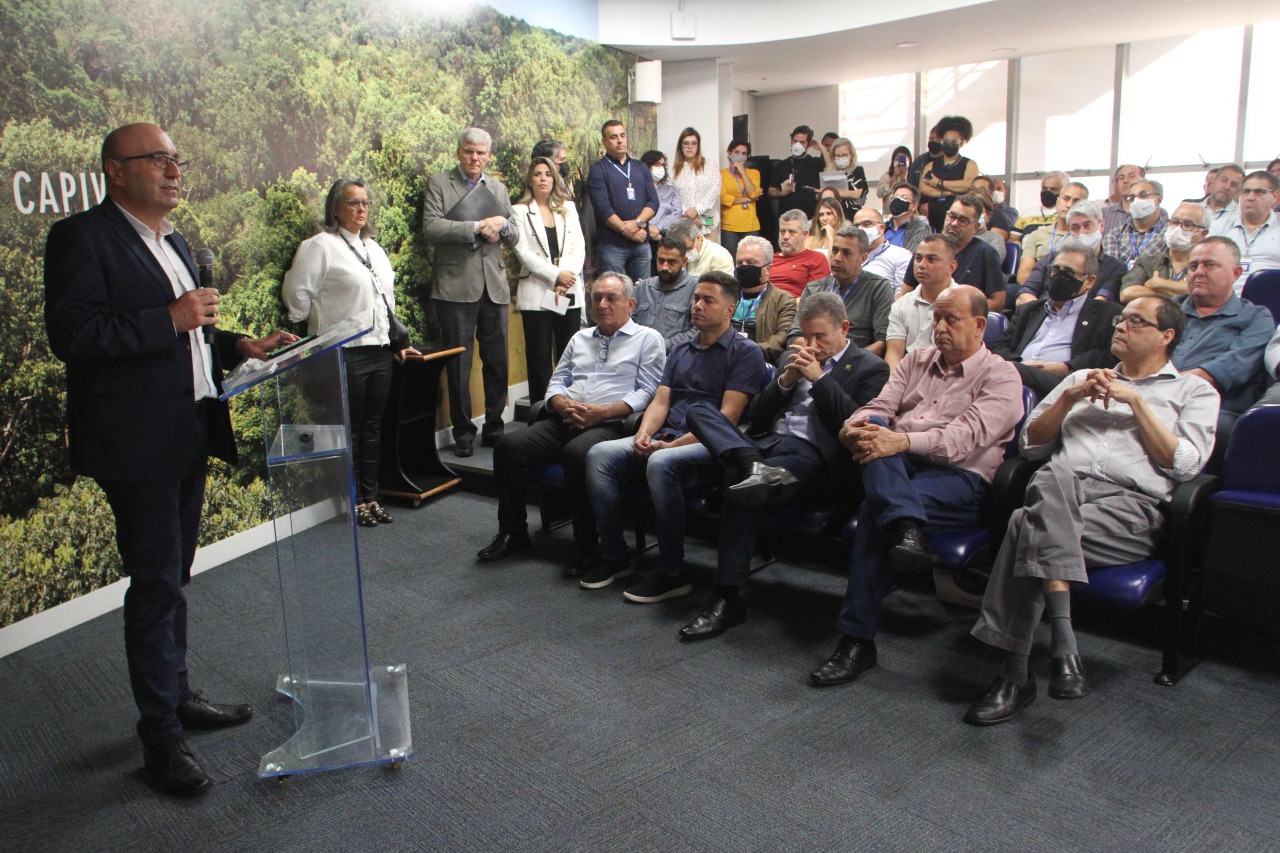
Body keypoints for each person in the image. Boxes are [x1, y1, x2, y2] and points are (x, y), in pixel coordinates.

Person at [44, 122, 296, 796]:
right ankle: (160, 736)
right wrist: (171, 318)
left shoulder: (176, 241)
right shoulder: (81, 238)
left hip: (188, 430)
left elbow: (193, 335)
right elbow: (73, 334)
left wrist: (238, 343)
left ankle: (178, 693)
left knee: (173, 576)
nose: (173, 170)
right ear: (115, 171)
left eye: (176, 160)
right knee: (155, 586)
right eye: (158, 160)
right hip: (136, 441)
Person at [966, 296, 1219, 725]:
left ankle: (1015, 673)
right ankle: (1061, 651)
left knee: (1023, 523)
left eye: (1137, 321)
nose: (1121, 326)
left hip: (1129, 510)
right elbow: (1031, 444)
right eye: (1121, 318)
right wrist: (1069, 399)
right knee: (1050, 476)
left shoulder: (1193, 391)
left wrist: (1135, 402)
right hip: (1065, 493)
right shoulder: (1081, 378)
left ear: (1167, 336)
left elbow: (1185, 464)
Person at [809, 286, 1023, 687]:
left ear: (979, 326)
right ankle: (906, 529)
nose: (939, 327)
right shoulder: (915, 361)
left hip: (959, 480)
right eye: (936, 319)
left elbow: (963, 440)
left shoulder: (1002, 376)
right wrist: (854, 428)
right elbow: (879, 407)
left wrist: (901, 440)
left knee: (876, 511)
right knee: (874, 430)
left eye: (951, 320)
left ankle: (857, 639)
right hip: (899, 467)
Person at [676, 293, 890, 641]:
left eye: (820, 336)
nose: (811, 344)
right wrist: (785, 381)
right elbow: (758, 417)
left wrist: (820, 379)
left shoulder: (870, 367)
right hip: (767, 447)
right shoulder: (793, 357)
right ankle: (751, 466)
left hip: (817, 459)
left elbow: (854, 424)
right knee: (699, 412)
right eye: (806, 336)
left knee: (736, 478)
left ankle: (727, 597)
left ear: (844, 328)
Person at [584, 271, 767, 600]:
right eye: (696, 298)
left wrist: (667, 446)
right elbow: (661, 400)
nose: (696, 305)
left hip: (711, 447)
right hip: (667, 437)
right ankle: (615, 556)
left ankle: (672, 571)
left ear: (730, 309)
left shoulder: (746, 352)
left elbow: (726, 420)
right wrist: (643, 433)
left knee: (660, 463)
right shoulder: (683, 349)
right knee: (599, 455)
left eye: (708, 300)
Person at [476, 273, 666, 574]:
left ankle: (587, 547)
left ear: (630, 303)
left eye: (611, 298)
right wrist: (560, 403)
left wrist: (602, 412)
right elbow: (558, 381)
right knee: (508, 447)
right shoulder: (579, 338)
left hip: (611, 423)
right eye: (597, 298)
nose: (602, 304)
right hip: (565, 418)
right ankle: (513, 532)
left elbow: (648, 391)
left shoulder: (647, 339)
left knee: (577, 454)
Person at [283, 178, 420, 528]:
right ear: (335, 207)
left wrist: (395, 342)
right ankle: (351, 500)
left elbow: (385, 302)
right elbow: (296, 299)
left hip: (379, 351)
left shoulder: (373, 248)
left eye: (365, 203)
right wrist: (323, 326)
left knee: (373, 427)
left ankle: (371, 497)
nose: (361, 209)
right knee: (351, 430)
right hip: (344, 353)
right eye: (352, 202)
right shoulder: (319, 246)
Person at [422, 127, 519, 457]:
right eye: (468, 152)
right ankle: (462, 431)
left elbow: (515, 234)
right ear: (458, 152)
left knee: (497, 362)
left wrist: (502, 224)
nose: (475, 158)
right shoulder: (439, 183)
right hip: (454, 289)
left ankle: (495, 425)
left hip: (494, 288)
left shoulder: (498, 188)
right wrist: (477, 226)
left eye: (480, 153)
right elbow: (432, 227)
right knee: (458, 366)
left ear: (488, 155)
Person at [1171, 237, 1274, 462]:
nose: (1198, 272)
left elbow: (1231, 367)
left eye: (1210, 265)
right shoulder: (1168, 308)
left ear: (1236, 273)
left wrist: (1164, 386)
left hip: (1215, 408)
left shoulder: (1256, 316)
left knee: (1218, 428)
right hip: (1153, 397)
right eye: (1193, 266)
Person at [990, 240, 1123, 399]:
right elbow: (1000, 346)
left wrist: (1068, 367)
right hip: (1016, 373)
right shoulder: (1030, 309)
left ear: (1090, 281)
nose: (1059, 277)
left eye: (1068, 273)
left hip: (1064, 383)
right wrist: (1019, 365)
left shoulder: (1107, 313)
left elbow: (1109, 355)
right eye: (1055, 270)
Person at [511, 156, 586, 404]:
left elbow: (578, 247)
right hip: (536, 292)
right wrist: (555, 275)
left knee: (569, 354)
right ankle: (541, 413)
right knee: (539, 357)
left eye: (548, 174)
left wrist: (565, 279)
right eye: (537, 174)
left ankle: (570, 408)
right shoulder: (519, 211)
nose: (543, 178)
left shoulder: (568, 208)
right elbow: (523, 252)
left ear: (554, 178)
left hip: (568, 291)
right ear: (530, 180)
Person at [788, 226, 895, 357]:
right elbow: (794, 336)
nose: (838, 258)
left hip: (855, 362)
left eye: (847, 253)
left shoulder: (878, 288)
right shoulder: (814, 288)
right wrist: (819, 353)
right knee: (784, 360)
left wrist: (841, 359)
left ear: (863, 258)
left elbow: (882, 342)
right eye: (835, 250)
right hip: (813, 357)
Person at [587, 120, 659, 283]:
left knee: (642, 293)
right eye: (613, 137)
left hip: (641, 244)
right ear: (604, 142)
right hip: (613, 246)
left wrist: (637, 223)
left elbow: (653, 202)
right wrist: (628, 231)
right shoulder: (598, 170)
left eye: (622, 135)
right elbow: (603, 208)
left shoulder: (640, 167)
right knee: (613, 293)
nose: (619, 140)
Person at [904, 195, 1005, 312]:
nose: (954, 223)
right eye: (951, 216)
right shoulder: (926, 248)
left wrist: (960, 310)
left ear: (976, 227)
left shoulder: (986, 253)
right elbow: (906, 292)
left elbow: (998, 301)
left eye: (963, 220)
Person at [1017, 200, 1126, 305]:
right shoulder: (1051, 258)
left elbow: (1100, 302)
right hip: (1044, 314)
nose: (1082, 232)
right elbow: (1025, 294)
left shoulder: (1115, 268)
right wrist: (1046, 314)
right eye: (1075, 228)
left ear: (1101, 225)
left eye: (1087, 226)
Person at [885, 235, 959, 371]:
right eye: (918, 259)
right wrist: (894, 387)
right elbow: (894, 354)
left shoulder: (965, 304)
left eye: (931, 259)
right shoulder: (901, 305)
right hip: (908, 375)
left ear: (951, 267)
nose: (922, 265)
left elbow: (962, 357)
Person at [1119, 202, 1211, 303]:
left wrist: (1159, 284)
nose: (1178, 229)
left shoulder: (1208, 266)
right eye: (1174, 222)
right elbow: (1127, 293)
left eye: (1188, 225)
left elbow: (1209, 293)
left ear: (1203, 233)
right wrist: (1175, 295)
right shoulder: (1147, 262)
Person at [1209, 170, 1280, 294]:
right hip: (1224, 299)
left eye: (1259, 192)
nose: (1250, 197)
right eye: (1246, 192)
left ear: (1275, 197)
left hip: (1271, 300)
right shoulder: (1219, 227)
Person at [732, 235, 796, 363]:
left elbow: (782, 338)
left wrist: (747, 351)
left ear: (768, 269)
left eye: (751, 263)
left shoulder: (783, 300)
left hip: (758, 361)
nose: (744, 267)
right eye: (739, 263)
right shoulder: (726, 295)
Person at [1016, 181, 1089, 284]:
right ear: (1058, 201)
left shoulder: (1085, 238)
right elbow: (1024, 272)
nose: (1069, 205)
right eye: (1066, 199)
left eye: (1076, 201)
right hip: (1035, 289)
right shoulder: (1036, 235)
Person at [633, 236, 697, 351]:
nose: (664, 267)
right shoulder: (643, 287)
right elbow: (628, 322)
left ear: (684, 262)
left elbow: (698, 330)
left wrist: (662, 345)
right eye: (661, 260)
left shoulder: (695, 287)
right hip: (638, 354)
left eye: (671, 262)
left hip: (675, 357)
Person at [919, 115, 979, 233]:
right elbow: (923, 187)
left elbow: (967, 185)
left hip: (958, 218)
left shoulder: (970, 164)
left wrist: (938, 183)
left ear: (961, 142)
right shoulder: (931, 165)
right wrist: (948, 192)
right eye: (945, 141)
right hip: (932, 215)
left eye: (953, 142)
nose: (949, 144)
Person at [1101, 179, 1168, 269]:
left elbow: (1164, 270)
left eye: (1143, 195)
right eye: (1132, 198)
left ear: (1158, 200)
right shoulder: (1114, 235)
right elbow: (1111, 271)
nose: (1136, 201)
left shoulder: (1168, 235)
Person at [672, 127, 721, 241]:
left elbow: (714, 190)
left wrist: (697, 211)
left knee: (708, 257)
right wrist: (687, 214)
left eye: (694, 143)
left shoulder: (709, 165)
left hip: (708, 220)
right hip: (684, 222)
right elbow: (673, 195)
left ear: (698, 146)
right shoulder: (673, 169)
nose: (690, 147)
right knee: (687, 257)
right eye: (686, 143)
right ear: (681, 146)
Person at [770, 210, 831, 298]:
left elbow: (815, 298)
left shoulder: (816, 259)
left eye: (792, 232)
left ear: (805, 235)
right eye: (782, 231)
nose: (786, 236)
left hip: (795, 308)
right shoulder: (769, 259)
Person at [769, 125, 825, 218]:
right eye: (795, 141)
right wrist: (781, 193)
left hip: (810, 216)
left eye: (802, 142)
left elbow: (831, 165)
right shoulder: (782, 165)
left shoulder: (816, 163)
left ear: (808, 144)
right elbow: (771, 191)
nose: (797, 145)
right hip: (786, 216)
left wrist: (820, 146)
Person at [720, 139, 763, 257]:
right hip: (729, 227)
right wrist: (748, 199)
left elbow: (753, 193)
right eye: (737, 152)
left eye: (744, 153)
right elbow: (723, 198)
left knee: (751, 260)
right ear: (729, 154)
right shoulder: (721, 174)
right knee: (730, 261)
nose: (740, 156)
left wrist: (742, 172)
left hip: (751, 225)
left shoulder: (754, 173)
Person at [851, 208, 913, 289]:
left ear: (882, 228)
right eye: (856, 226)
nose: (860, 229)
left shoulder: (901, 255)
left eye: (867, 224)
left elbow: (903, 297)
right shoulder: (849, 256)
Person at [1011, 171, 1071, 243]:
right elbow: (1013, 238)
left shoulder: (1067, 214)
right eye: (1044, 188)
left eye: (1053, 189)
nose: (1047, 192)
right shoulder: (1026, 213)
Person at [666, 217, 734, 278]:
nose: (684, 254)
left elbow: (724, 290)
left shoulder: (720, 256)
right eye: (680, 251)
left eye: (688, 249)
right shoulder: (673, 256)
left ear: (698, 238)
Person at [883, 182, 933, 254]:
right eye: (895, 197)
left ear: (914, 206)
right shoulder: (883, 227)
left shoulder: (920, 228)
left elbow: (908, 258)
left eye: (904, 197)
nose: (897, 200)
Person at [1100, 164, 1148, 234]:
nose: (1125, 181)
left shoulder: (1155, 212)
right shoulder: (1104, 213)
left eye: (1131, 176)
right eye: (1121, 178)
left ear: (1143, 181)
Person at [828, 137, 868, 219]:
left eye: (844, 155)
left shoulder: (857, 170)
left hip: (851, 214)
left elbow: (856, 193)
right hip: (833, 214)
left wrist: (831, 193)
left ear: (851, 155)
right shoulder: (830, 172)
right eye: (837, 156)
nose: (841, 158)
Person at [972, 174, 1018, 241]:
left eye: (981, 189)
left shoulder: (998, 216)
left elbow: (993, 243)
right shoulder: (962, 210)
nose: (976, 192)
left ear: (991, 193)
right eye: (973, 189)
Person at [876, 146, 913, 216]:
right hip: (888, 215)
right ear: (893, 161)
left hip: (906, 215)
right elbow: (879, 193)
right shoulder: (886, 176)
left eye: (903, 160)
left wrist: (904, 179)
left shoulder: (912, 176)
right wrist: (893, 178)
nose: (900, 163)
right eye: (897, 159)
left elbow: (913, 195)